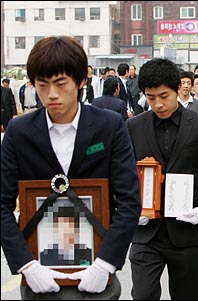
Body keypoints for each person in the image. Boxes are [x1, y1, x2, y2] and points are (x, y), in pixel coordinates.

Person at [0, 35, 141, 299]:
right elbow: (2, 204)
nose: (51, 94)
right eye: (42, 85)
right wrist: (27, 266)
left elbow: (129, 200)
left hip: (97, 274)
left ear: (81, 81)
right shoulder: (19, 132)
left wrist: (105, 264)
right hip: (40, 275)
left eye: (60, 83)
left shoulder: (109, 127)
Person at [126, 58, 198, 299]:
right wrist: (130, 209)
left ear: (178, 88)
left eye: (163, 96)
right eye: (150, 98)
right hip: (146, 233)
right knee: (143, 294)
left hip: (185, 230)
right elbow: (124, 176)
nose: (157, 104)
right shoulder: (134, 126)